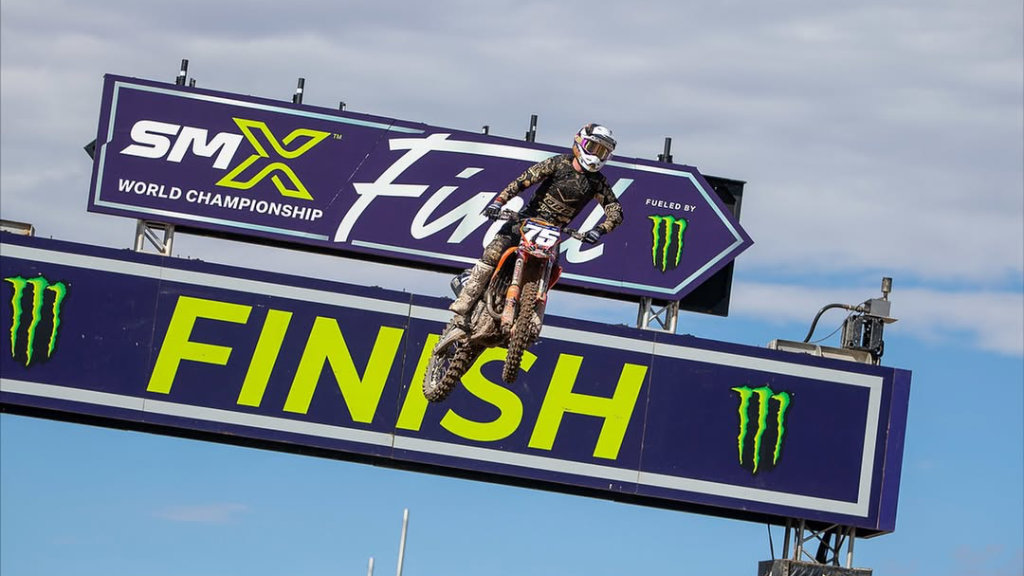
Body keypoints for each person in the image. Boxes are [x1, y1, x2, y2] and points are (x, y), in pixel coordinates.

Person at [449, 123, 624, 319]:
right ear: (580, 142)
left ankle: (531, 317)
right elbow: (523, 180)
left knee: (551, 271)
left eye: (603, 152)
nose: (596, 155)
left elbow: (615, 211)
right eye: (593, 148)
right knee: (495, 251)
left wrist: (599, 230)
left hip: (554, 232)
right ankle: (466, 295)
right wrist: (498, 203)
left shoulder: (598, 182)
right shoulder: (557, 163)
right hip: (526, 220)